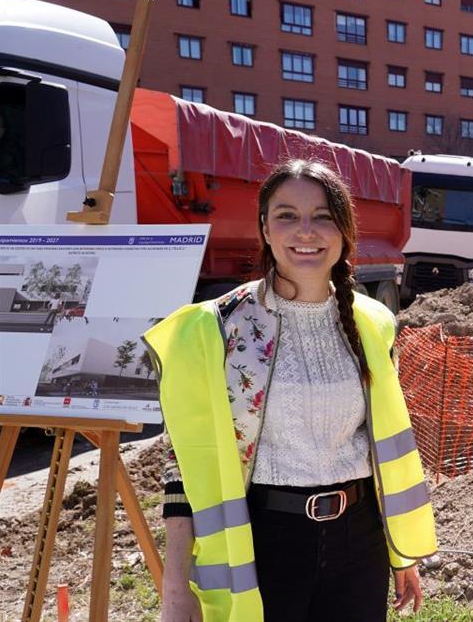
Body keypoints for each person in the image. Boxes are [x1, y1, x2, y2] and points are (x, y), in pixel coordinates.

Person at [147, 160, 438, 622]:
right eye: (287, 215)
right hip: (264, 543)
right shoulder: (216, 328)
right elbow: (183, 463)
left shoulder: (373, 324)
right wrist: (175, 587)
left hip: (359, 542)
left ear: (344, 230)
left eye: (323, 216)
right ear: (264, 228)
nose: (306, 231)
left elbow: (384, 449)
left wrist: (400, 554)